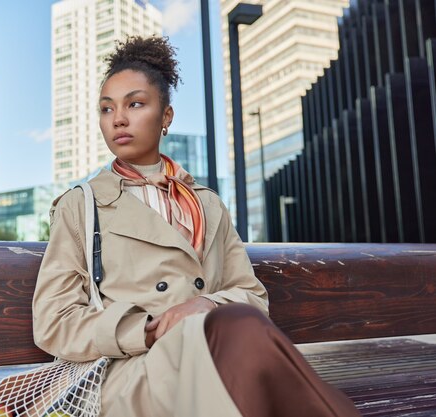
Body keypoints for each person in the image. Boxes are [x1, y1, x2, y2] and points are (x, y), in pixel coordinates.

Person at [32, 36, 360, 417]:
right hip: (133, 371)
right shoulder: (80, 204)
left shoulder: (205, 202)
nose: (118, 118)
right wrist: (146, 329)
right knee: (243, 343)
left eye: (135, 104)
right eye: (107, 109)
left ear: (166, 116)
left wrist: (204, 304)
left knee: (239, 333)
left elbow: (251, 295)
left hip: (214, 348)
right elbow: (54, 321)